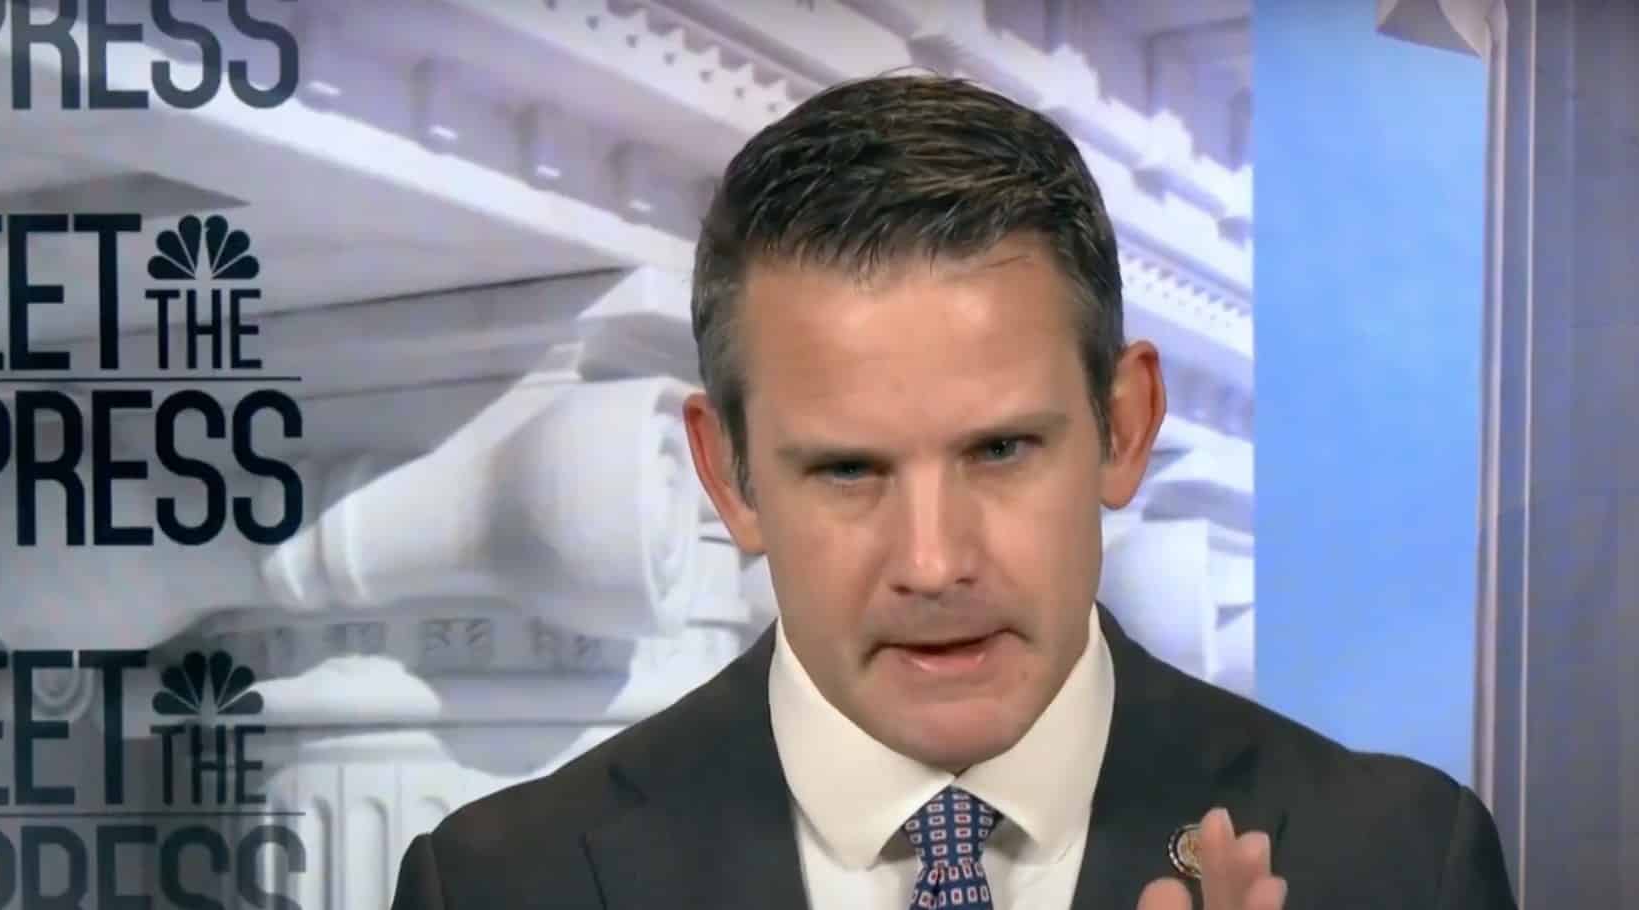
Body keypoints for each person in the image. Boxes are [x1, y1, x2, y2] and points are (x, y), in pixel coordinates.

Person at [389, 73, 1514, 910]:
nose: (933, 564)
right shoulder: (501, 884)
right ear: (730, 477)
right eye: (847, 469)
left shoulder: (1397, 864)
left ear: (1124, 426)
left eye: (1001, 450)